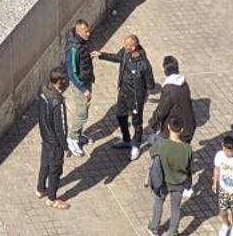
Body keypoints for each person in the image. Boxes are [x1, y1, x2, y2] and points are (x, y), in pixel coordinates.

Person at [98, 32, 154, 157]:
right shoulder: (125, 53)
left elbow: (150, 83)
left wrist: (145, 96)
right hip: (123, 93)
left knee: (137, 122)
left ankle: (136, 145)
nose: (124, 47)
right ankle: (126, 139)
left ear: (133, 47)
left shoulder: (143, 63)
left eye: (127, 45)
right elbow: (117, 57)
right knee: (120, 116)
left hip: (135, 98)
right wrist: (101, 55)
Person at [147, 118, 194, 235]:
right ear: (182, 130)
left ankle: (154, 227)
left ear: (168, 127)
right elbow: (189, 167)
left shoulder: (162, 145)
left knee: (158, 202)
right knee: (176, 208)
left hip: (163, 182)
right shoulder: (187, 149)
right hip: (179, 183)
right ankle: (172, 231)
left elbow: (152, 153)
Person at [35, 67, 71, 211]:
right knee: (55, 169)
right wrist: (65, 147)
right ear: (60, 82)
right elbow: (60, 127)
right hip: (55, 142)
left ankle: (40, 188)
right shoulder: (58, 102)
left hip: (45, 136)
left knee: (44, 164)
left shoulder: (43, 91)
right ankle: (52, 198)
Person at [63, 18, 95, 155]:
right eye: (86, 32)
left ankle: (78, 134)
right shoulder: (74, 48)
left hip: (86, 80)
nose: (88, 34)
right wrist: (83, 89)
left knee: (84, 108)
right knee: (81, 113)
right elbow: (72, 72)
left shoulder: (82, 43)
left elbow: (81, 62)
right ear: (78, 31)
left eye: (88, 31)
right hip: (80, 84)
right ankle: (72, 138)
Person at [147, 55, 195, 143]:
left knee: (157, 144)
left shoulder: (169, 89)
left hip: (175, 129)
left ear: (165, 71)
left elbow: (161, 110)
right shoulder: (184, 84)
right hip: (188, 126)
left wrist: (152, 123)